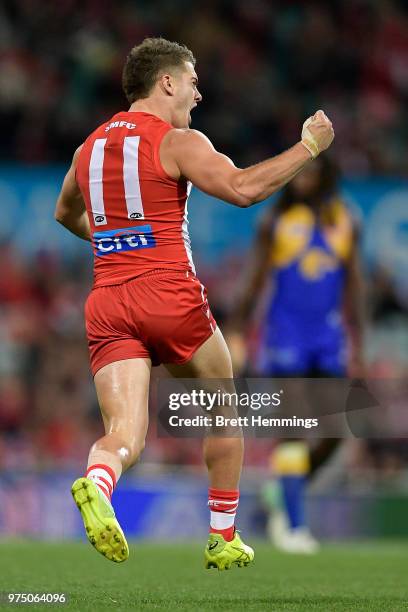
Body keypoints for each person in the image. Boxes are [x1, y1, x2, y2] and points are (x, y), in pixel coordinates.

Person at [54, 37, 334, 568]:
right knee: (223, 405)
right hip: (167, 291)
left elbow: (65, 213)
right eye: (192, 80)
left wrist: (115, 239)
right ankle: (223, 537)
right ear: (166, 83)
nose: (198, 93)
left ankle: (97, 480)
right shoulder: (178, 140)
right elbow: (243, 188)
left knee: (124, 434)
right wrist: (309, 147)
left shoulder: (86, 149)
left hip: (108, 300)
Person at [229, 156, 364, 553]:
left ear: (326, 175)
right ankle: (294, 525)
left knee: (338, 430)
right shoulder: (274, 221)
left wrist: (362, 344)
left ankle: (284, 490)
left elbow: (355, 287)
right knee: (293, 422)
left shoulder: (346, 220)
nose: (302, 178)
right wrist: (236, 328)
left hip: (329, 336)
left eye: (311, 171)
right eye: (298, 171)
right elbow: (254, 280)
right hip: (284, 334)